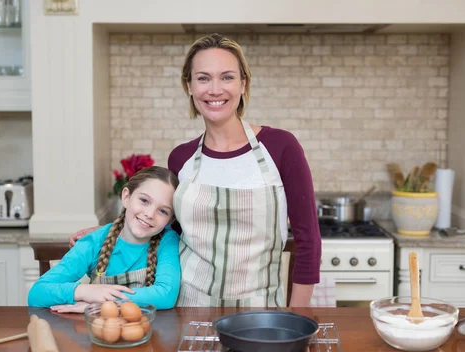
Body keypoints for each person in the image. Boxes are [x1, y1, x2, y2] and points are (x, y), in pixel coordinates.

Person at [70, 33, 321, 307]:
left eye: (227, 77)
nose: (215, 89)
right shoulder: (182, 158)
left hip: (260, 312)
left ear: (243, 84)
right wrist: (110, 231)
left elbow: (308, 240)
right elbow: (168, 226)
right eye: (203, 78)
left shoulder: (281, 147)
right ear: (189, 86)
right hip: (187, 309)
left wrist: (297, 317)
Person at [28, 166, 181, 312]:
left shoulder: (167, 241)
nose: (150, 214)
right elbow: (37, 293)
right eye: (144, 201)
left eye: (162, 211)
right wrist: (84, 291)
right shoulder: (93, 242)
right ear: (126, 197)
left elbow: (166, 295)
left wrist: (102, 303)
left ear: (170, 220)